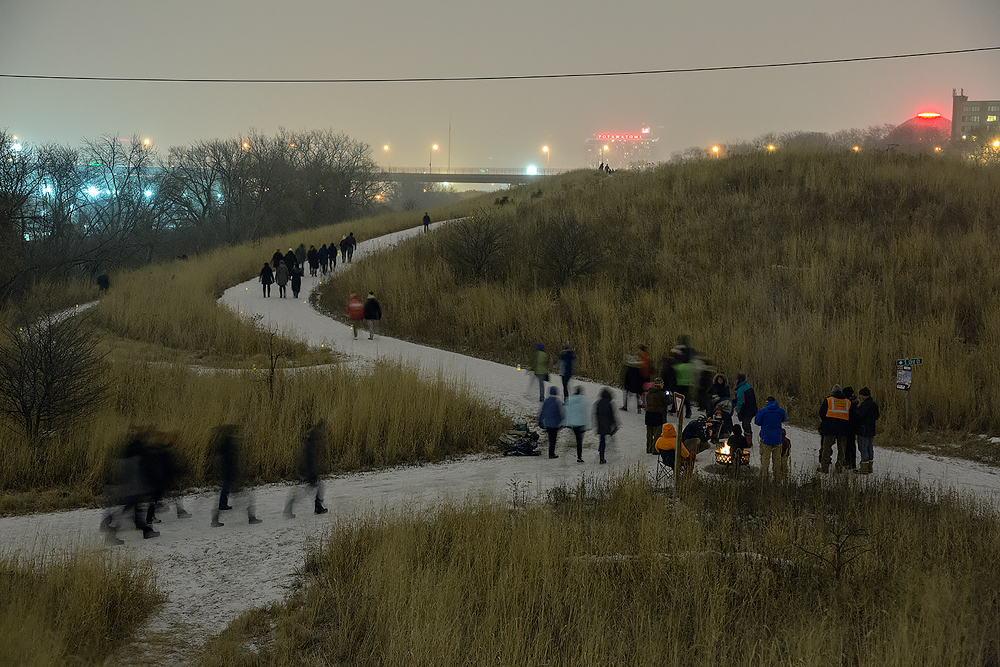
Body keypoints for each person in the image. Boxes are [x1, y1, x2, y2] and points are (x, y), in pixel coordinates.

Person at [210, 424, 261, 527]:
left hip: (227, 475)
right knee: (247, 497)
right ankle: (251, 518)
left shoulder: (223, 444)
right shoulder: (229, 444)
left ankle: (215, 519)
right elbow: (231, 462)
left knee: (224, 498)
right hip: (231, 476)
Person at [284, 420, 329, 518]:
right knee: (307, 490)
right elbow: (309, 460)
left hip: (306, 471)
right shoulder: (310, 444)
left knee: (315, 487)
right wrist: (311, 473)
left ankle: (317, 507)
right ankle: (317, 508)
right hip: (308, 471)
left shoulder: (310, 442)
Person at [819, 384, 853, 473]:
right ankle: (839, 468)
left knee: (826, 448)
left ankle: (824, 468)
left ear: (833, 392)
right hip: (843, 429)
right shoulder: (848, 402)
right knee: (841, 449)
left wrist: (827, 422)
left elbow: (821, 413)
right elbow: (852, 416)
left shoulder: (828, 400)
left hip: (829, 428)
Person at [754, 396, 787, 481]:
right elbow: (783, 419)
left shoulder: (763, 411)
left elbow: (757, 422)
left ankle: (764, 478)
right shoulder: (781, 411)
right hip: (778, 438)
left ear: (767, 402)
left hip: (766, 438)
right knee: (777, 459)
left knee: (765, 459)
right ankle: (777, 478)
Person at [854, 387, 880, 475]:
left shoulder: (864, 405)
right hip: (871, 429)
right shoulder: (874, 404)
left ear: (863, 395)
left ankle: (864, 468)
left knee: (863, 447)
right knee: (869, 447)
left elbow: (860, 415)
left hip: (863, 429)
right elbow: (877, 416)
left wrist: (857, 408)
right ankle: (870, 467)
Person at [593, 387, 618, 464]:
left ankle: (601, 454)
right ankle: (603, 455)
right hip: (607, 424)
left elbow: (596, 414)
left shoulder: (598, 402)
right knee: (607, 439)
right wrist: (615, 424)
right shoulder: (609, 403)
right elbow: (612, 415)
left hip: (600, 424)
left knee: (602, 439)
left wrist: (596, 423)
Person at [563, 386, 589, 463]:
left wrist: (567, 423)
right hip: (581, 424)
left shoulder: (570, 400)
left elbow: (567, 412)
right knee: (579, 441)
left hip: (573, 424)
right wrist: (587, 424)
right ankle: (579, 457)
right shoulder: (583, 401)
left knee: (570, 439)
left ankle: (564, 456)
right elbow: (586, 413)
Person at [644, 377, 668, 454]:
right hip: (658, 414)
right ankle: (655, 449)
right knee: (657, 433)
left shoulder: (649, 391)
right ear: (660, 384)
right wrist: (669, 395)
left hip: (649, 413)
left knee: (649, 433)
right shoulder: (661, 393)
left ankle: (649, 448)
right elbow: (668, 401)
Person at [538, 386, 564, 459]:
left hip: (548, 423)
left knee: (550, 438)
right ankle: (551, 454)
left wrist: (540, 421)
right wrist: (561, 422)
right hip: (555, 424)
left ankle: (551, 452)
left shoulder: (546, 401)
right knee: (553, 439)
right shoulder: (557, 402)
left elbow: (543, 412)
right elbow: (560, 413)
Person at [734, 373, 758, 445]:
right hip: (752, 409)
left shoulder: (741, 389)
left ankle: (748, 442)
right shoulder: (748, 387)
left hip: (745, 410)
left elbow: (740, 402)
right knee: (746, 424)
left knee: (745, 424)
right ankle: (748, 440)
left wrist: (739, 412)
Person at [841, 386, 859, 470]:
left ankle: (848, 462)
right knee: (851, 445)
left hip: (848, 426)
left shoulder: (848, 403)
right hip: (853, 427)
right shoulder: (855, 403)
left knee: (848, 445)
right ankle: (852, 463)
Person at [673, 351, 694, 418]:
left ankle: (677, 409)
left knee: (678, 398)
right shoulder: (689, 366)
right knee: (687, 399)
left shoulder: (678, 366)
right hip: (687, 384)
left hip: (679, 383)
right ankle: (688, 412)